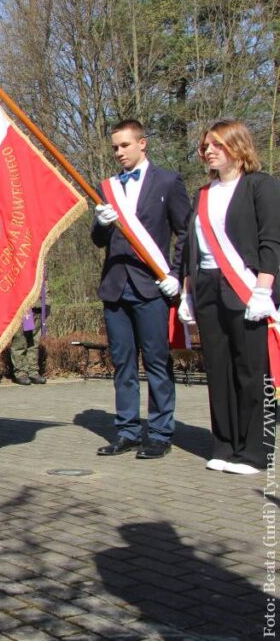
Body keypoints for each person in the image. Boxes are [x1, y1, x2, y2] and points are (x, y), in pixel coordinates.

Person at [178, 120, 280, 475]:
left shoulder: (260, 186)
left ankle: (254, 451)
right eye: (205, 146)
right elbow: (190, 247)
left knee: (251, 370)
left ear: (237, 147)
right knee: (218, 369)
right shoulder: (202, 194)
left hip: (246, 288)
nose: (208, 151)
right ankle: (223, 445)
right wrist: (186, 294)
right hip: (206, 287)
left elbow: (271, 241)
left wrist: (264, 289)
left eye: (216, 144)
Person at [91, 119, 190, 460]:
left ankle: (160, 433)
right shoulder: (107, 188)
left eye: (125, 145)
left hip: (151, 286)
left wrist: (176, 274)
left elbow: (185, 233)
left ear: (142, 143)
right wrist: (101, 225)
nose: (119, 152)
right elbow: (98, 239)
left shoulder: (168, 181)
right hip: (116, 287)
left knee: (158, 362)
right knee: (123, 364)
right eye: (115, 147)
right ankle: (128, 431)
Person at [10, 307, 46, 385]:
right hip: (22, 306)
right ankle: (21, 373)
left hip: (37, 308)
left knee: (33, 343)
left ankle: (33, 372)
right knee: (20, 342)